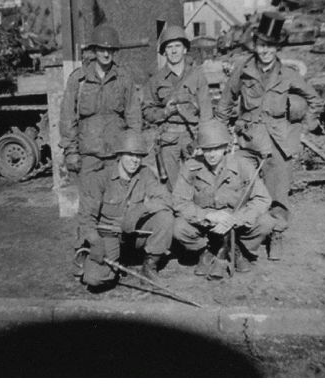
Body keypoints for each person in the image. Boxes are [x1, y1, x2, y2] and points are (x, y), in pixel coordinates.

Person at [216, 11, 321, 260]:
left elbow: (314, 99)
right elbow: (225, 102)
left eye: (270, 46)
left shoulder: (287, 74)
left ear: (277, 48)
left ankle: (276, 234)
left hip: (278, 142)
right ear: (256, 45)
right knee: (239, 188)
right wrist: (220, 135)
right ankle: (239, 237)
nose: (265, 51)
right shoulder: (243, 70)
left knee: (278, 194)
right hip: (248, 139)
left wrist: (303, 126)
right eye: (262, 45)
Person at [173, 120, 275, 280]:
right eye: (207, 149)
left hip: (236, 223)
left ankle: (236, 248)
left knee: (266, 222)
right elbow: (180, 202)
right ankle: (206, 251)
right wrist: (208, 215)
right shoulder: (191, 167)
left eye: (217, 148)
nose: (212, 154)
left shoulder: (243, 165)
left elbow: (262, 198)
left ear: (226, 147)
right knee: (178, 227)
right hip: (205, 225)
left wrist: (236, 219)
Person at [78, 130, 174, 290]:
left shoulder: (145, 173)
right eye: (130, 154)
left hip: (135, 233)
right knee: (94, 279)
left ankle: (149, 267)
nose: (135, 160)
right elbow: (86, 218)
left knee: (165, 218)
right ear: (119, 155)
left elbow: (166, 199)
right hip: (109, 235)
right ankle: (114, 264)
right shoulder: (100, 178)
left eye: (139, 156)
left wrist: (140, 210)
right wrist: (95, 242)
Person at [60, 24, 142, 189]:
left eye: (110, 50)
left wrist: (133, 149)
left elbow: (134, 116)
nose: (106, 54)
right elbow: (67, 118)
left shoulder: (123, 78)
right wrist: (71, 152)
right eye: (101, 49)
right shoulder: (78, 80)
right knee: (89, 205)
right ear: (94, 50)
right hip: (88, 157)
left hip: (116, 155)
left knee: (116, 204)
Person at [142, 25, 213, 192]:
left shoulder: (197, 76)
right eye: (169, 47)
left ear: (185, 49)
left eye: (177, 46)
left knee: (198, 181)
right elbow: (146, 111)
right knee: (172, 187)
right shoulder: (156, 80)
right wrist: (164, 112)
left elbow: (207, 111)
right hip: (168, 139)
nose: (174, 51)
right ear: (164, 51)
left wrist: (204, 140)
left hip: (193, 136)